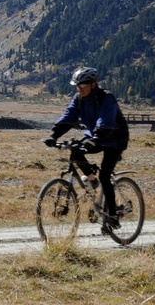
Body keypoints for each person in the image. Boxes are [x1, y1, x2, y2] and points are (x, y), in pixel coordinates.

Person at [42, 66, 129, 233]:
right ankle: (91, 178)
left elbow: (105, 120)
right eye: (77, 86)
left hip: (114, 138)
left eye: (82, 85)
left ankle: (112, 215)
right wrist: (54, 135)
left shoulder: (106, 97)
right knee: (76, 151)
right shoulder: (79, 98)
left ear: (93, 84)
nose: (79, 89)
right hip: (95, 135)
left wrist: (95, 138)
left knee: (105, 175)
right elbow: (69, 117)